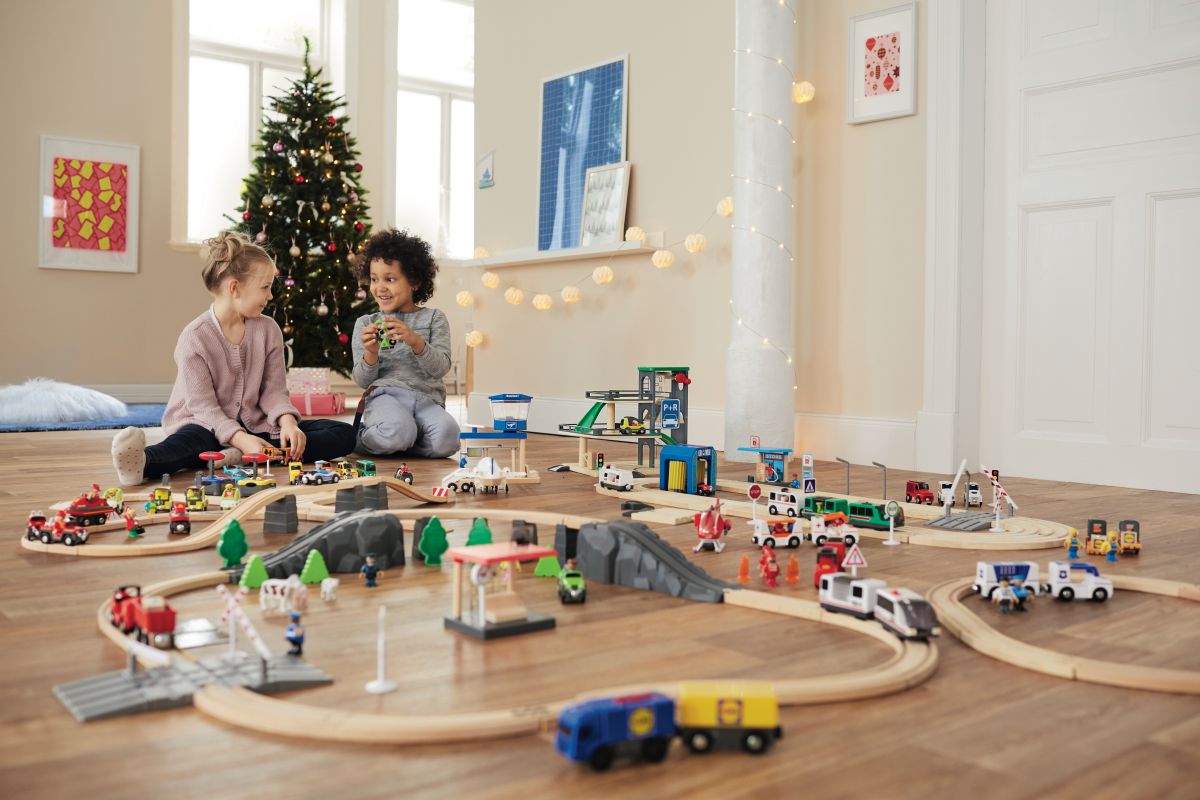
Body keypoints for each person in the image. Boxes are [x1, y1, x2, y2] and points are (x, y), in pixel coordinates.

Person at [111, 231, 356, 486]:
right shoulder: (194, 338)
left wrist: (288, 424)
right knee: (186, 445)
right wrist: (240, 438)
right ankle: (142, 463)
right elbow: (204, 407)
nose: (270, 296)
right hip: (205, 425)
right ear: (234, 288)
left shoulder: (268, 329)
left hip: (257, 427)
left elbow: (274, 392)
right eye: (265, 287)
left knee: (343, 434)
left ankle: (237, 455)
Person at [350, 228, 460, 459]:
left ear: (415, 281)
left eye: (390, 279)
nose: (380, 287)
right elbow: (362, 380)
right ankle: (358, 438)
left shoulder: (434, 318)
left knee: (448, 439)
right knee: (397, 430)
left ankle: (403, 440)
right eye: (374, 279)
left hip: (427, 400)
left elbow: (441, 368)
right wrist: (371, 353)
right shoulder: (366, 323)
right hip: (385, 396)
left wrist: (415, 341)